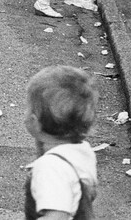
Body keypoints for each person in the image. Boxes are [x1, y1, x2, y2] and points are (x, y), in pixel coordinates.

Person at [23, 65, 99, 220]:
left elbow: (57, 216)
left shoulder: (50, 169)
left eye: (28, 108)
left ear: (34, 122)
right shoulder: (82, 153)